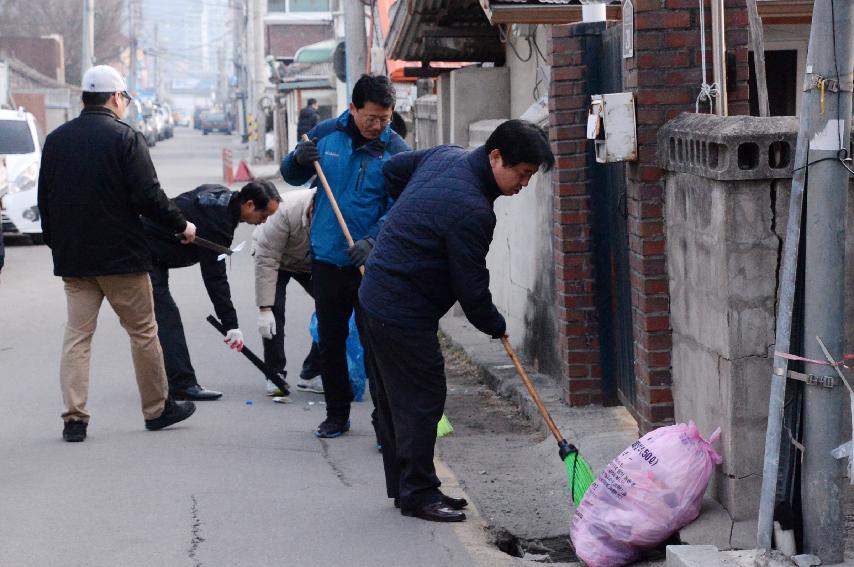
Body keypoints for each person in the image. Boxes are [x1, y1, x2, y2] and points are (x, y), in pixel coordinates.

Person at [359, 119, 555, 522]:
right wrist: (496, 325)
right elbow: (471, 289)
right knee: (421, 398)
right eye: (521, 175)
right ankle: (418, 493)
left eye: (530, 177)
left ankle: (407, 488)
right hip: (401, 308)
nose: (524, 185)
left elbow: (392, 171)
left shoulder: (444, 155)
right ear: (495, 156)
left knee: (397, 400)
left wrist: (411, 216)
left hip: (376, 292)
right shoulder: (472, 211)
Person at [37, 65, 198, 442]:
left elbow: (46, 199)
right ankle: (157, 409)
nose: (125, 104)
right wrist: (181, 226)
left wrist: (56, 243)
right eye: (125, 97)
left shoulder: (57, 140)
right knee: (143, 332)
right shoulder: (125, 138)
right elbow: (149, 196)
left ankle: (74, 419)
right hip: (122, 258)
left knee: (77, 336)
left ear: (84, 98)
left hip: (75, 260)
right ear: (115, 98)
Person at [280, 74, 409, 439]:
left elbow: (401, 207)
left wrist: (374, 239)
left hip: (371, 264)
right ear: (352, 108)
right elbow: (291, 175)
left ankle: (384, 421)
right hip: (326, 258)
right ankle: (336, 414)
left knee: (376, 345)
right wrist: (297, 159)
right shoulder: (324, 134)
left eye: (385, 118)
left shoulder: (395, 150)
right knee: (331, 340)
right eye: (371, 117)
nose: (378, 126)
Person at [143, 181, 281, 401]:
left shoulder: (220, 195)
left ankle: (171, 383)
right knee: (167, 318)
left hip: (154, 250)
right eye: (264, 214)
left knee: (158, 319)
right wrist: (231, 324)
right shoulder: (218, 221)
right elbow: (215, 278)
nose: (265, 221)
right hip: (144, 251)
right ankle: (181, 385)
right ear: (249, 204)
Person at [252, 187, 323, 396]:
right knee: (274, 314)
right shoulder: (283, 211)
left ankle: (311, 372)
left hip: (310, 262)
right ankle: (274, 375)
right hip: (276, 259)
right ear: (311, 207)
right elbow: (267, 260)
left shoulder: (337, 212)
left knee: (334, 310)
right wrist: (264, 309)